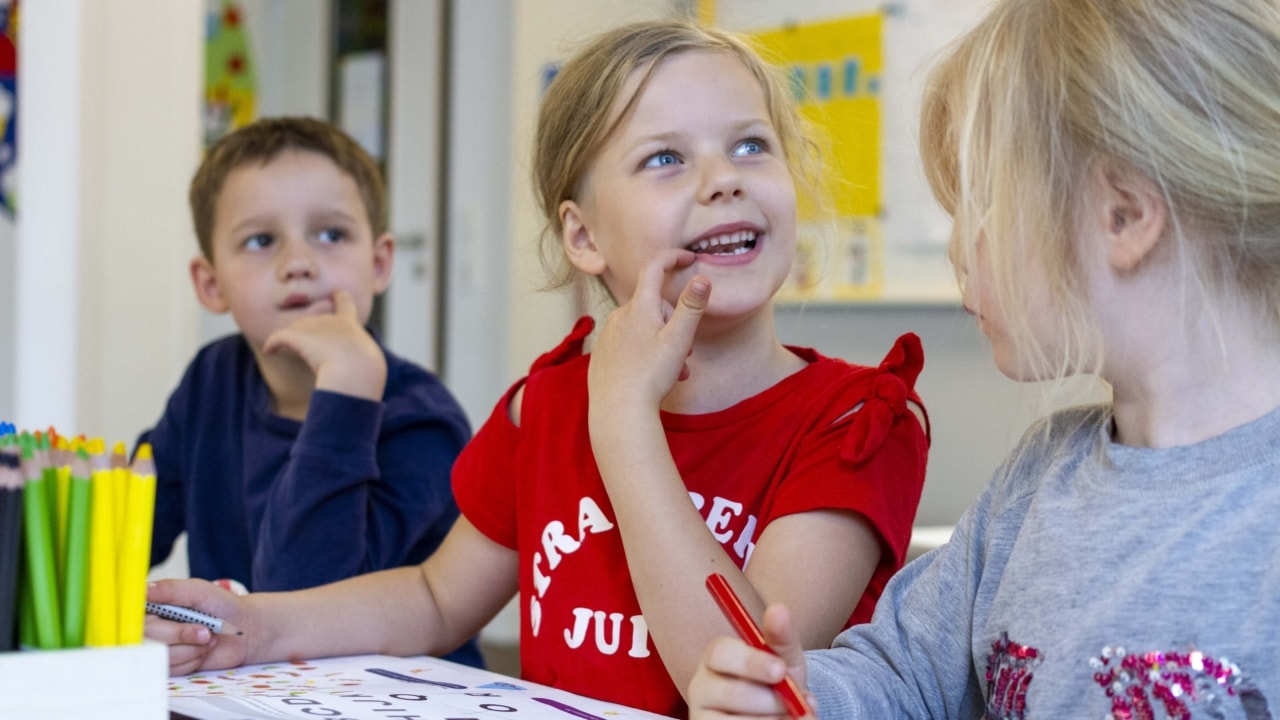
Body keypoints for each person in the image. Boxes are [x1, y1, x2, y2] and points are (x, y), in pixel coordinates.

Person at [145, 20, 929, 717]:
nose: (724, 178)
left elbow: (741, 681)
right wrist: (256, 626)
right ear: (583, 237)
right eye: (665, 157)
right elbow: (434, 598)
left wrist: (622, 420)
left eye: (751, 145)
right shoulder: (546, 403)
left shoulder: (859, 422)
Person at [687, 0, 1280, 717]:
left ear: (1122, 215)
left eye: (981, 202)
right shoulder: (1038, 475)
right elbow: (904, 676)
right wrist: (797, 697)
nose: (957, 246)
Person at [139, 117, 481, 667]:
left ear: (379, 264)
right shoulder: (210, 381)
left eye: (331, 235)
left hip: (390, 695)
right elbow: (129, 533)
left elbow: (306, 600)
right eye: (260, 240)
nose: (298, 264)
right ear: (211, 283)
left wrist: (347, 391)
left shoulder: (423, 422)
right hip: (245, 691)